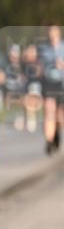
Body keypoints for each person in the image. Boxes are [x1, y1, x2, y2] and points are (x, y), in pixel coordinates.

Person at [38, 25, 64, 155]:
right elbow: (39, 65)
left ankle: (56, 133)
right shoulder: (44, 49)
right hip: (48, 83)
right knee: (49, 111)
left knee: (59, 115)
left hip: (61, 83)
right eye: (50, 32)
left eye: (55, 32)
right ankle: (48, 141)